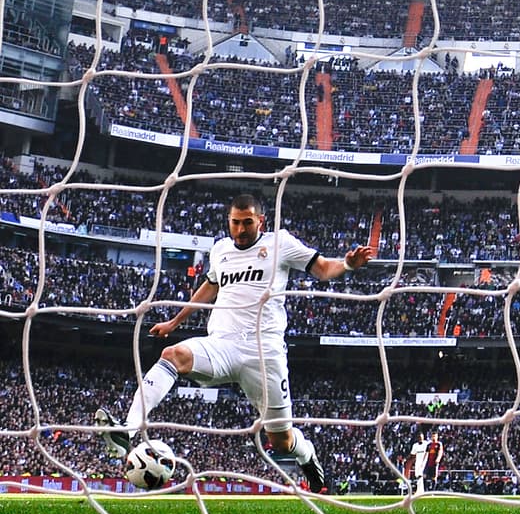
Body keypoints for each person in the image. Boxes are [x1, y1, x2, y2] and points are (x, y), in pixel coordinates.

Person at [94, 193, 377, 493]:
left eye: (247, 223)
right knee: (173, 354)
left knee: (280, 440)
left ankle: (310, 461)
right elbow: (211, 286)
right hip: (222, 345)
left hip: (264, 353)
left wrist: (347, 264)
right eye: (235, 223)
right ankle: (126, 429)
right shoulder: (221, 250)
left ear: (260, 222)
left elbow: (322, 269)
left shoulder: (280, 243)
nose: (240, 230)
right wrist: (175, 322)